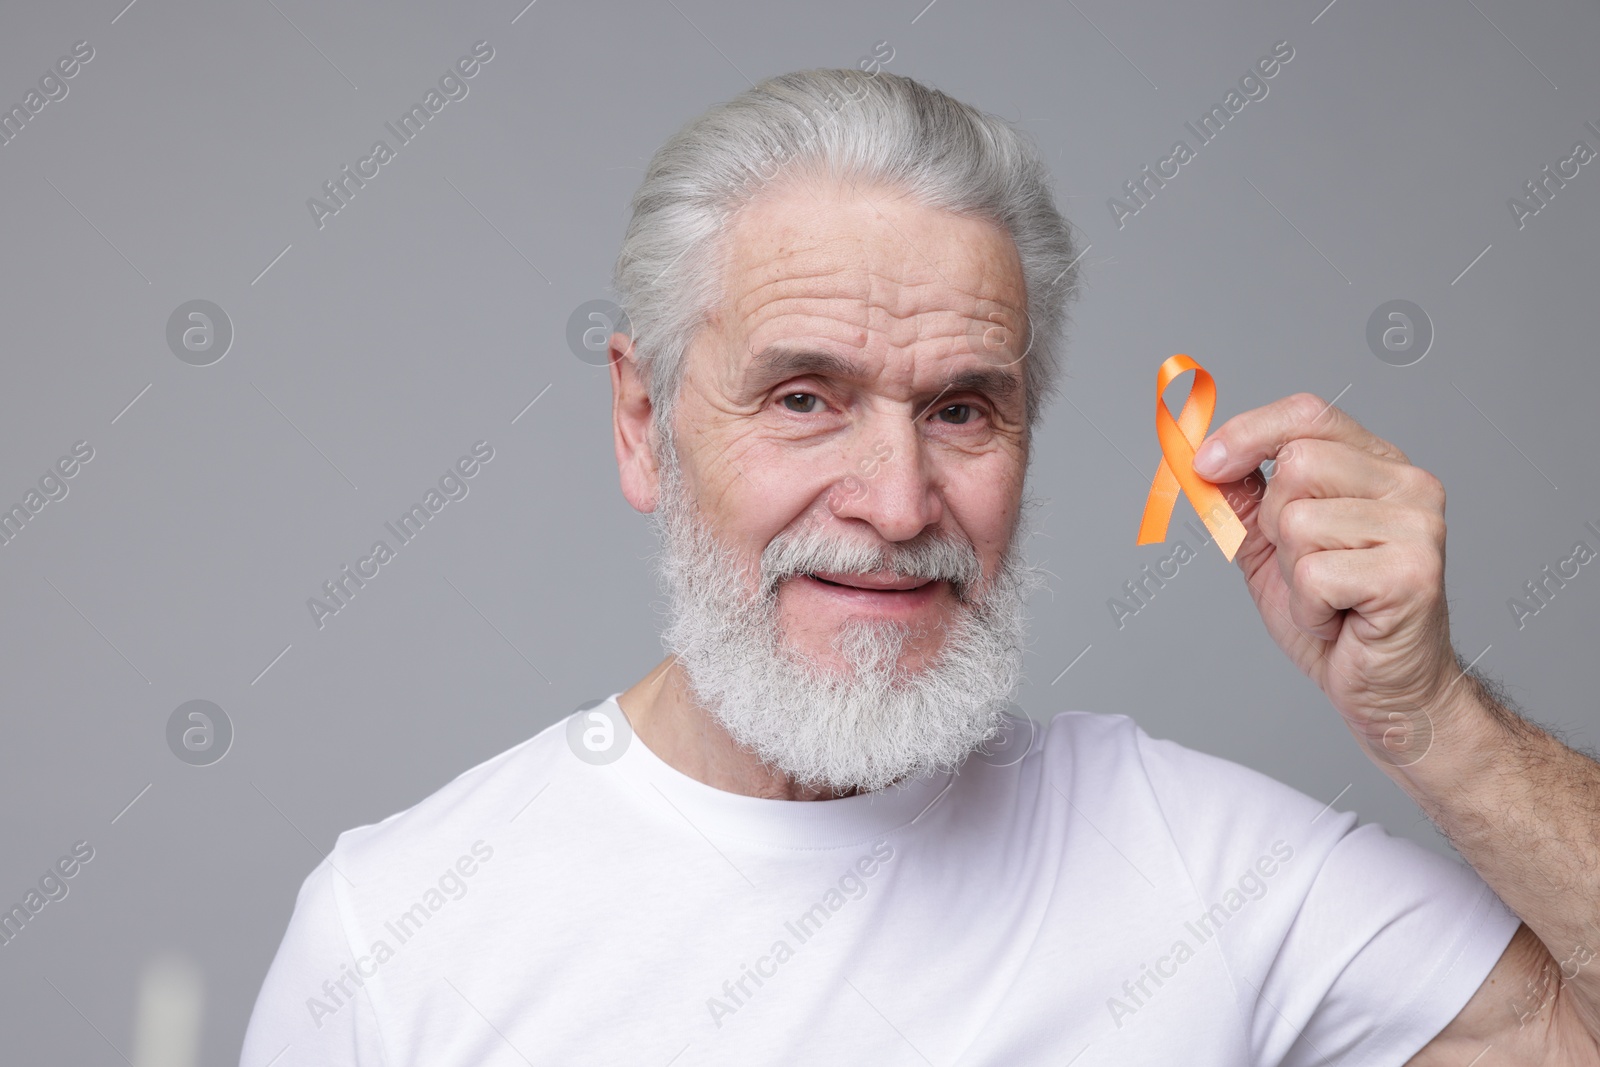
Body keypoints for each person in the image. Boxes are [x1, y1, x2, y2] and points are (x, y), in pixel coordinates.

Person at [239, 68, 1600, 1065]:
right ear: (644, 423)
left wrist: (1434, 725)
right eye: (802, 399)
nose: (897, 504)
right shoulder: (398, 932)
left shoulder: (1207, 870)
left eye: (960, 409)